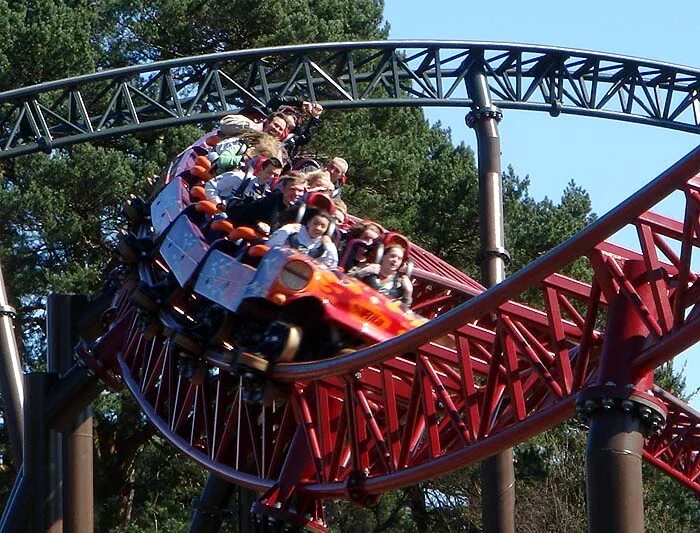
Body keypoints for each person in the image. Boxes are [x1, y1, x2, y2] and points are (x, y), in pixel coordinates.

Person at [228, 173, 307, 235]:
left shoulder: (302, 211)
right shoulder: (267, 202)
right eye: (292, 189)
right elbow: (241, 216)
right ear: (283, 189)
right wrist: (257, 223)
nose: (296, 193)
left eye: (300, 191)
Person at [265, 208, 338, 268]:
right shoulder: (293, 230)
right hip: (281, 266)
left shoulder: (323, 244)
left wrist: (330, 246)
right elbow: (271, 245)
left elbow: (331, 267)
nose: (318, 228)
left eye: (323, 226)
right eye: (315, 223)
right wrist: (287, 230)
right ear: (309, 222)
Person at [350, 244, 413, 311]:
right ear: (383, 256)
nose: (395, 260)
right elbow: (343, 279)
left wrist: (408, 292)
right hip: (356, 303)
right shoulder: (366, 268)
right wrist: (362, 273)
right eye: (392, 256)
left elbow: (403, 312)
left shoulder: (400, 284)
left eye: (399, 259)